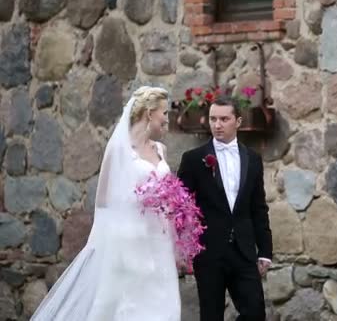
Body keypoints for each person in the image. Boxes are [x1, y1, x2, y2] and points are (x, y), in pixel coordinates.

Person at [31, 86, 180, 321]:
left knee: (166, 306)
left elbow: (167, 190)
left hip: (159, 240)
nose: (167, 119)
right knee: (131, 306)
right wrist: (141, 198)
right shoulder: (118, 150)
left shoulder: (160, 149)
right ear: (150, 113)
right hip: (130, 239)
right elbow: (103, 199)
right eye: (164, 113)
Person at [177, 94, 273, 321]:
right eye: (213, 119)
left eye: (224, 119)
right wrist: (185, 248)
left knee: (255, 312)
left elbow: (258, 207)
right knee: (211, 315)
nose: (217, 125)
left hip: (244, 250)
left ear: (238, 122)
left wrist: (266, 252)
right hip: (209, 252)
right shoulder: (193, 159)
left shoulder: (253, 159)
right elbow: (182, 207)